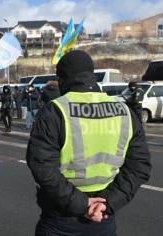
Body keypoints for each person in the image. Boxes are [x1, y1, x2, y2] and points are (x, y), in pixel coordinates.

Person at [26, 50, 151, 235]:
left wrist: (82, 205)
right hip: (103, 213)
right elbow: (139, 166)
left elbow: (42, 167)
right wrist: (107, 203)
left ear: (62, 79)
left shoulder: (55, 111)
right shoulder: (124, 112)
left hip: (61, 216)